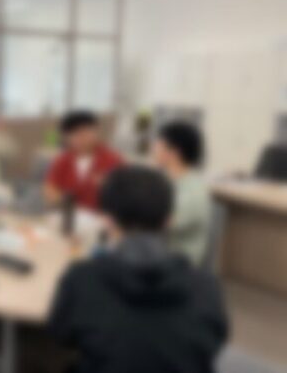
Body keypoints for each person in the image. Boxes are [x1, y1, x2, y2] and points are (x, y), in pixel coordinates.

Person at [49, 166, 229, 373]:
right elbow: (216, 340)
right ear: (169, 220)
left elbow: (61, 335)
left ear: (106, 220)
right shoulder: (207, 286)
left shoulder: (82, 278)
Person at [152, 122, 212, 266]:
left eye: (158, 144)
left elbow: (161, 223)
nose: (153, 149)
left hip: (178, 263)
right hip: (158, 255)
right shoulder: (165, 180)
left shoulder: (193, 191)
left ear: (174, 152)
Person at [44, 111, 123, 210]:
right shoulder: (62, 160)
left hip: (101, 215)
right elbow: (50, 188)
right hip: (69, 212)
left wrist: (109, 187)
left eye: (85, 132)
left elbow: (126, 194)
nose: (81, 138)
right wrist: (60, 198)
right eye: (74, 134)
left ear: (96, 132)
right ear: (66, 138)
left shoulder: (113, 159)